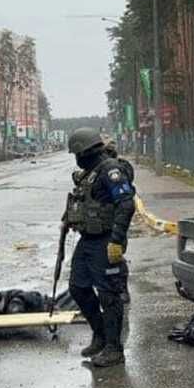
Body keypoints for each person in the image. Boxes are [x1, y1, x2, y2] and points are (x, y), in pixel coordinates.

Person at [63, 128, 136, 368]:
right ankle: (100, 335)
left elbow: (126, 204)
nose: (76, 158)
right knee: (78, 287)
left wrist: (116, 240)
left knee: (109, 294)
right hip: (88, 239)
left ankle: (114, 349)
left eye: (77, 153)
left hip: (105, 239)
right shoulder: (90, 173)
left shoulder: (109, 170)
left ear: (86, 151)